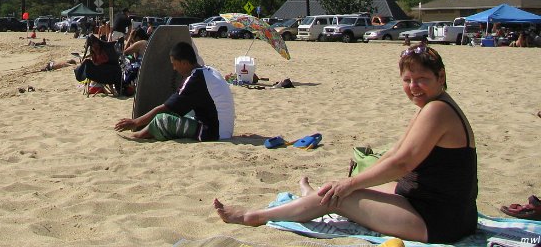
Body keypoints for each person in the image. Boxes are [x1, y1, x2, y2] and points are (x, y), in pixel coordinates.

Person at [213, 45, 477, 243]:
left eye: (422, 79)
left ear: (440, 76)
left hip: (438, 220)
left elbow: (402, 162)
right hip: (436, 205)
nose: (413, 87)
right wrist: (354, 180)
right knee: (341, 187)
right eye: (407, 80)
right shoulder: (433, 105)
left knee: (338, 195)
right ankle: (312, 202)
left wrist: (350, 185)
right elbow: (397, 151)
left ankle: (255, 216)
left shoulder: (437, 111)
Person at [114, 41, 235, 141]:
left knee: (162, 119)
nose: (174, 68)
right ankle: (143, 132)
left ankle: (137, 136)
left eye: (174, 64)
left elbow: (164, 108)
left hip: (213, 133)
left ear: (184, 63)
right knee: (180, 114)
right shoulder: (209, 71)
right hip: (223, 129)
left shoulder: (194, 80)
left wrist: (135, 122)